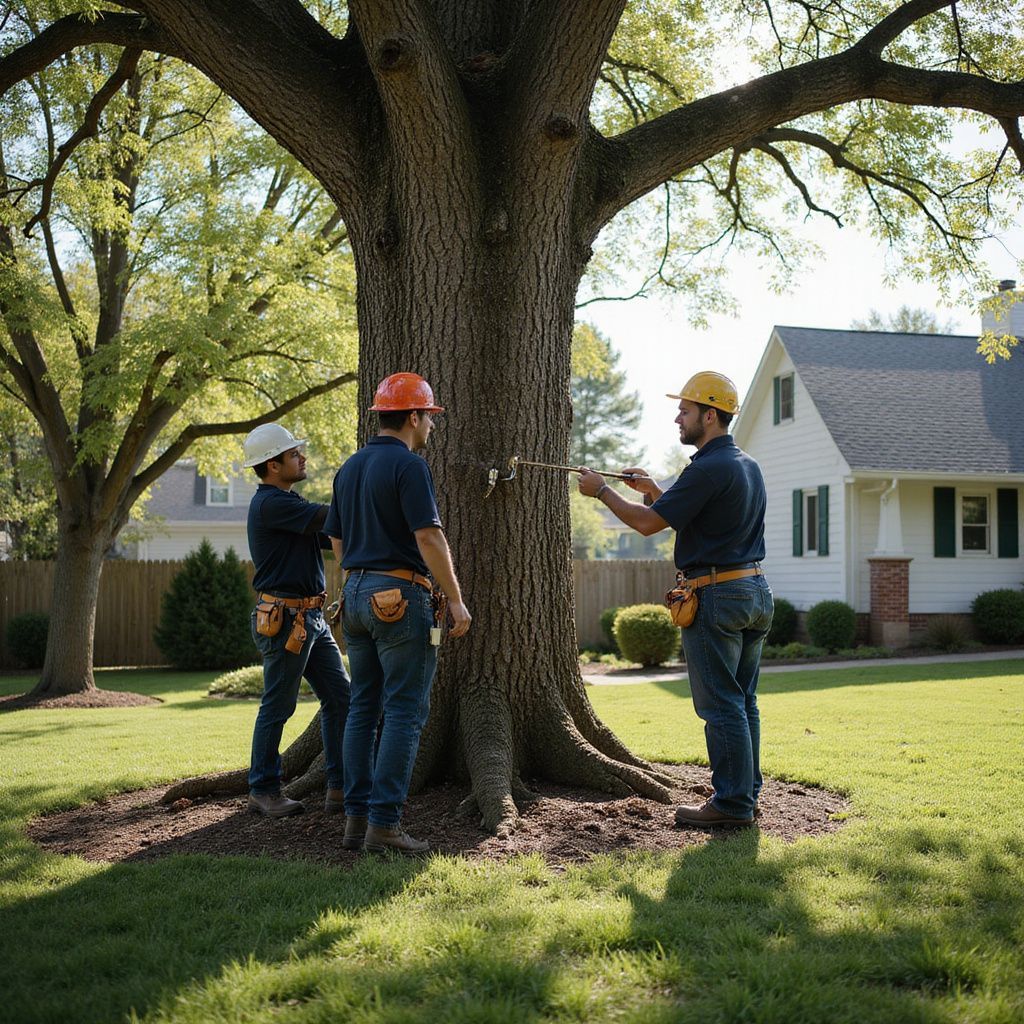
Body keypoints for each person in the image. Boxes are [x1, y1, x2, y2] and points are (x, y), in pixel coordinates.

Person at [578, 371, 773, 826]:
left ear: (710, 414)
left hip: (717, 595)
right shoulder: (746, 464)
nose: (676, 418)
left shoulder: (706, 467)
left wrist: (601, 491)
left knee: (720, 704)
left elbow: (649, 525)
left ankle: (730, 806)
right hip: (754, 591)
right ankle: (746, 795)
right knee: (743, 701)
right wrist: (653, 491)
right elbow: (696, 520)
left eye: (684, 410)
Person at [325, 372, 471, 855]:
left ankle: (355, 820)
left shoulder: (348, 468)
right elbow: (428, 536)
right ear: (412, 417)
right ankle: (384, 825)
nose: (431, 425)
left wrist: (352, 582)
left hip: (356, 597)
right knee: (405, 712)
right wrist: (454, 598)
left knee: (363, 708)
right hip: (398, 598)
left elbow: (336, 538)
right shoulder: (409, 466)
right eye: (429, 416)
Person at [243, 422, 351, 818]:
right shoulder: (273, 504)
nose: (302, 457)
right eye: (293, 454)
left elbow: (332, 532)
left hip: (308, 618)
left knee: (341, 698)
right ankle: (263, 789)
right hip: (286, 620)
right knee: (278, 705)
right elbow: (329, 518)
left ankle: (339, 786)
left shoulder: (288, 504)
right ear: (272, 466)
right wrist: (360, 491)